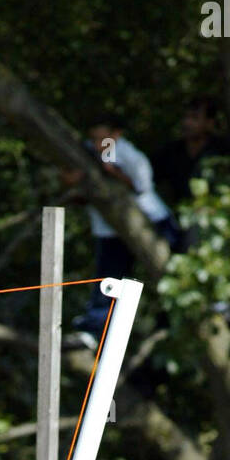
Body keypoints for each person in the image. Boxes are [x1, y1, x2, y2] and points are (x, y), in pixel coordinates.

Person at [62, 118, 178, 344]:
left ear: (116, 135)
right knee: (107, 279)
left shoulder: (129, 155)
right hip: (108, 231)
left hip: (151, 220)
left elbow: (142, 186)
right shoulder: (87, 154)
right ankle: (95, 329)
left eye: (102, 138)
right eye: (93, 138)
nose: (97, 143)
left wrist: (113, 173)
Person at [152, 97, 230, 218]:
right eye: (185, 117)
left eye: (194, 118)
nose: (187, 123)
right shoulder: (171, 151)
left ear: (209, 123)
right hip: (179, 219)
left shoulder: (222, 150)